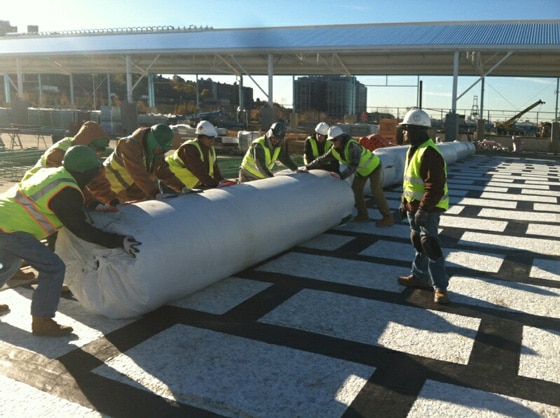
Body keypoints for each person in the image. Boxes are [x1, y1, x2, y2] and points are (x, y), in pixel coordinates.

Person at [0, 145, 141, 336]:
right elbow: (82, 229)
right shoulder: (66, 191)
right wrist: (119, 241)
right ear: (85, 172)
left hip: (4, 217)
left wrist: (94, 204)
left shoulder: (57, 173)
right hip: (11, 229)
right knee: (53, 267)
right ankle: (42, 321)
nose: (94, 177)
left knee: (9, 264)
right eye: (93, 172)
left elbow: (75, 195)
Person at [397, 108, 450, 305]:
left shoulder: (429, 153)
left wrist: (424, 209)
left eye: (406, 129)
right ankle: (418, 276)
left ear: (417, 130)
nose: (403, 133)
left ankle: (440, 288)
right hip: (414, 208)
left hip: (428, 210)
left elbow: (434, 187)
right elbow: (410, 182)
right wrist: (404, 203)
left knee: (430, 245)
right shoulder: (413, 149)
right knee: (418, 243)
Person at [305, 126, 394, 227]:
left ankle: (388, 218)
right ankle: (363, 215)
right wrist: (307, 168)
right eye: (331, 140)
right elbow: (322, 159)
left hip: (373, 167)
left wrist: (341, 176)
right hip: (361, 171)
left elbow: (353, 165)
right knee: (356, 191)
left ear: (340, 138)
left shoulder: (352, 146)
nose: (333, 143)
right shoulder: (335, 149)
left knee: (376, 191)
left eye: (335, 140)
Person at [22, 120, 120, 210]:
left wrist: (113, 201)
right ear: (87, 144)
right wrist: (93, 203)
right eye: (97, 149)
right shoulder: (59, 153)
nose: (99, 153)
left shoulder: (87, 154)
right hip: (33, 191)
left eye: (102, 150)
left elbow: (98, 181)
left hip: (48, 193)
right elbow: (67, 184)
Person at [102, 123, 193, 202]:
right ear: (153, 141)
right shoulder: (129, 145)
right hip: (111, 190)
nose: (160, 151)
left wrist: (182, 187)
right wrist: (155, 193)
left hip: (131, 191)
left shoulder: (155, 150)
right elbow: (138, 173)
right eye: (159, 148)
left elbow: (163, 172)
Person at [166, 120, 229, 189]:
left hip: (184, 183)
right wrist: (216, 184)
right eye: (209, 138)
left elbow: (215, 169)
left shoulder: (210, 149)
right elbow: (200, 172)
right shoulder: (190, 149)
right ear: (200, 138)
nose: (212, 140)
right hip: (169, 179)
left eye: (213, 137)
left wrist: (222, 181)